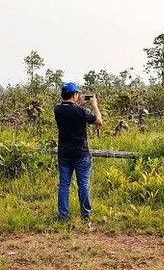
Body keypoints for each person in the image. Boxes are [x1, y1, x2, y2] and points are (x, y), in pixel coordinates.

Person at [54, 82, 103, 223]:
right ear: (75, 95)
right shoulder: (81, 111)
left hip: (64, 154)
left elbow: (71, 111)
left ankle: (63, 215)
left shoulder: (57, 109)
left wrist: (80, 105)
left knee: (64, 185)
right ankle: (85, 215)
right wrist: (94, 105)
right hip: (81, 153)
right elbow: (98, 121)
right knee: (83, 184)